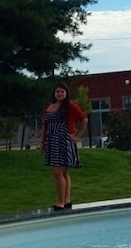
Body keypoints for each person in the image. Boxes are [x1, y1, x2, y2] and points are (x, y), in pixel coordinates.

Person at [40, 82, 87, 210]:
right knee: (64, 172)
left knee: (57, 172)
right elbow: (45, 126)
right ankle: (67, 200)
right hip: (52, 141)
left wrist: (77, 134)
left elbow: (84, 119)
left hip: (64, 141)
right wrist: (42, 142)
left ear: (66, 93)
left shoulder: (70, 106)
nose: (60, 93)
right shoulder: (50, 107)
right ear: (54, 94)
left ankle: (61, 201)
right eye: (58, 91)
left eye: (62, 91)